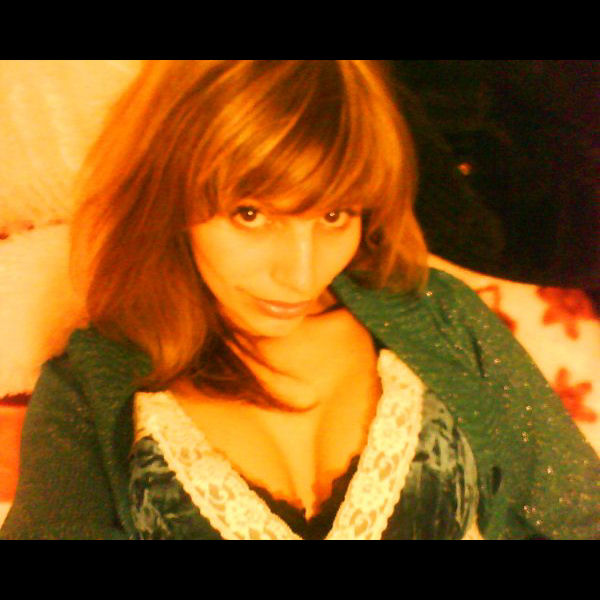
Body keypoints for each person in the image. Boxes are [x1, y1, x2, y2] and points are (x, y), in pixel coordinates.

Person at [1, 60, 598, 540]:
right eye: (251, 214)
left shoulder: (436, 314)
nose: (301, 274)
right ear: (170, 193)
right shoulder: (88, 391)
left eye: (334, 215)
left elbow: (578, 517)